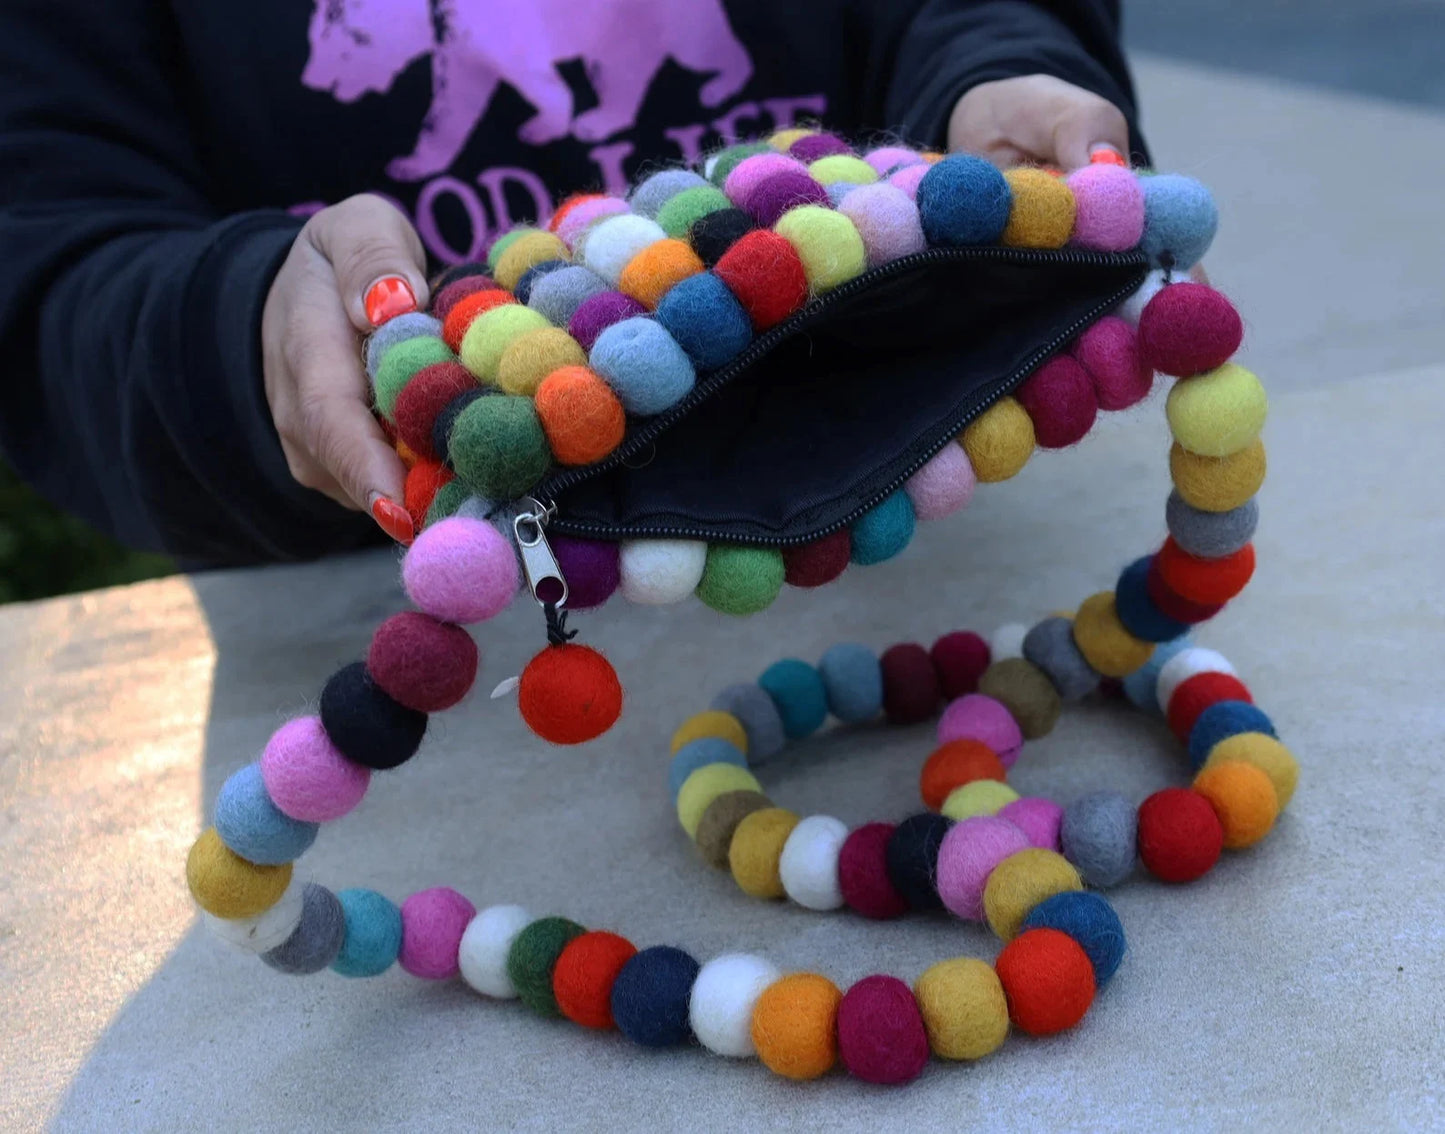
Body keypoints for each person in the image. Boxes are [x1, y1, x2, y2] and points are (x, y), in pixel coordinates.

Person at [0, 0, 1146, 565]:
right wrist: (235, 325)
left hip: (912, 490)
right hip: (398, 595)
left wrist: (993, 70)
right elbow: (48, 253)